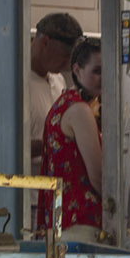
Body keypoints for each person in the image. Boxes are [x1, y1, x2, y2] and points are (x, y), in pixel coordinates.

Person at [37, 38, 103, 243]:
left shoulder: (62, 104)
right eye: (97, 71)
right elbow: (98, 176)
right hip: (81, 223)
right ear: (77, 69)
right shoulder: (80, 111)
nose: (104, 78)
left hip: (61, 220)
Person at [27, 13, 84, 174]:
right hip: (29, 189)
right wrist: (56, 141)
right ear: (45, 42)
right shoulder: (15, 86)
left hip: (56, 185)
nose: (68, 64)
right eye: (65, 56)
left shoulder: (58, 80)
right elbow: (7, 146)